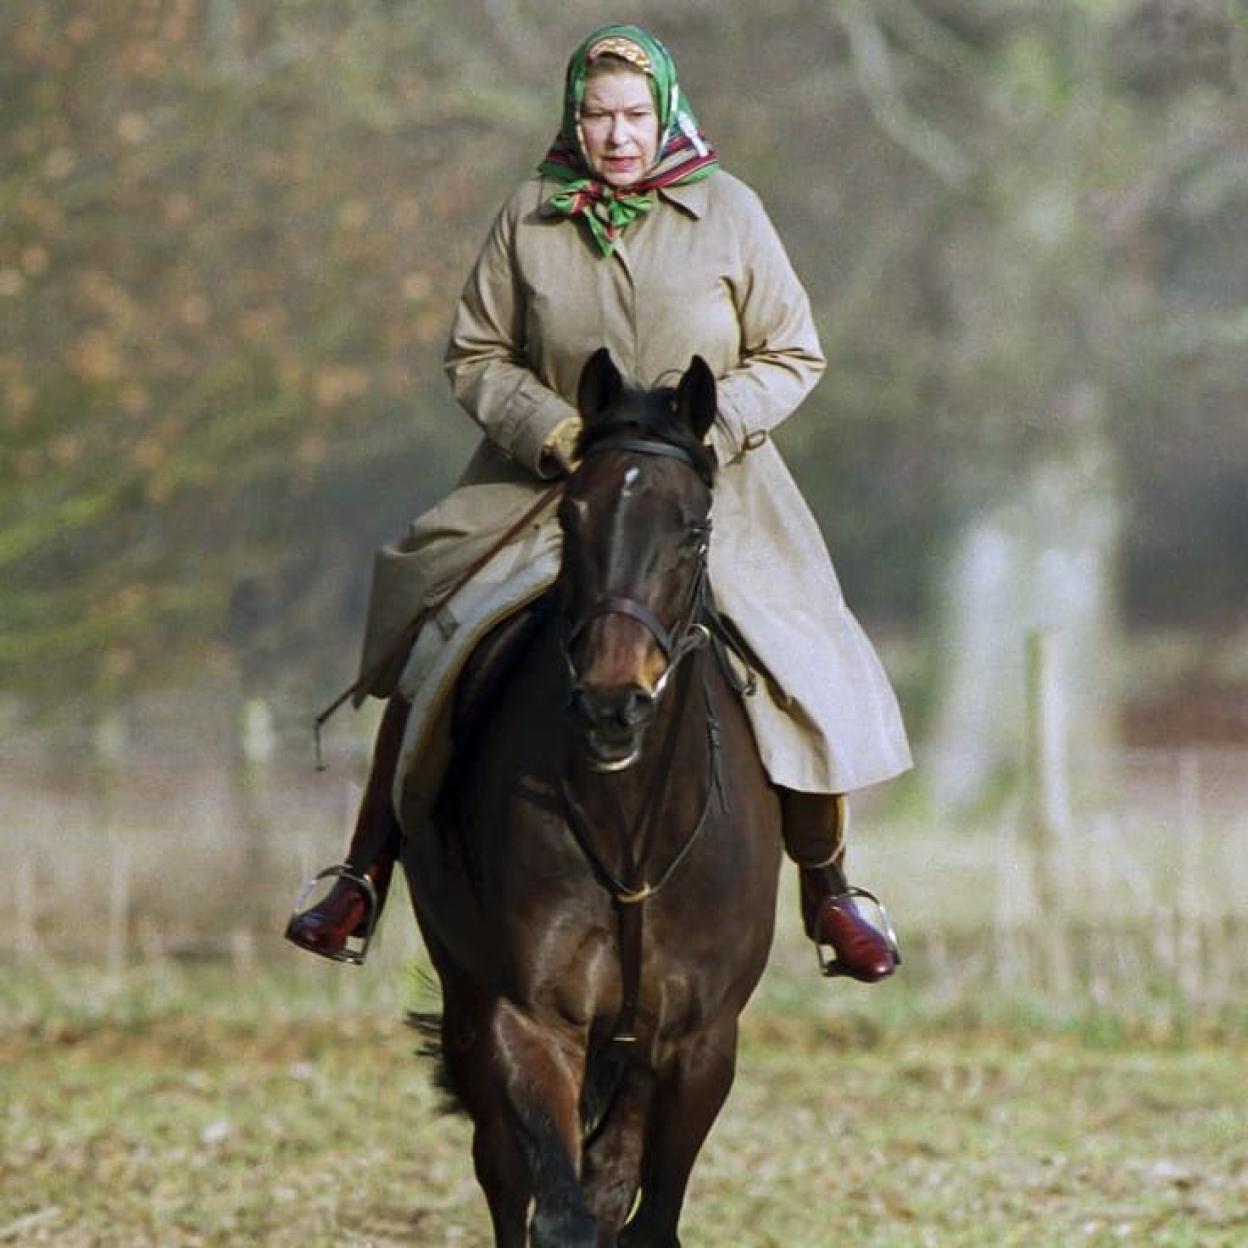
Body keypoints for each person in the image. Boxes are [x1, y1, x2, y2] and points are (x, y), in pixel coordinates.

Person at [286, 23, 911, 982]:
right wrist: (553, 429)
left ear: (664, 114)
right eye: (597, 115)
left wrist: (712, 428)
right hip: (551, 485)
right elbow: (475, 353)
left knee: (799, 655)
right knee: (437, 631)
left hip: (713, 486)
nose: (617, 136)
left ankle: (830, 890)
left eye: (632, 116)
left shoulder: (733, 211)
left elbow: (794, 351)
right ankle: (363, 872)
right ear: (572, 117)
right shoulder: (528, 213)